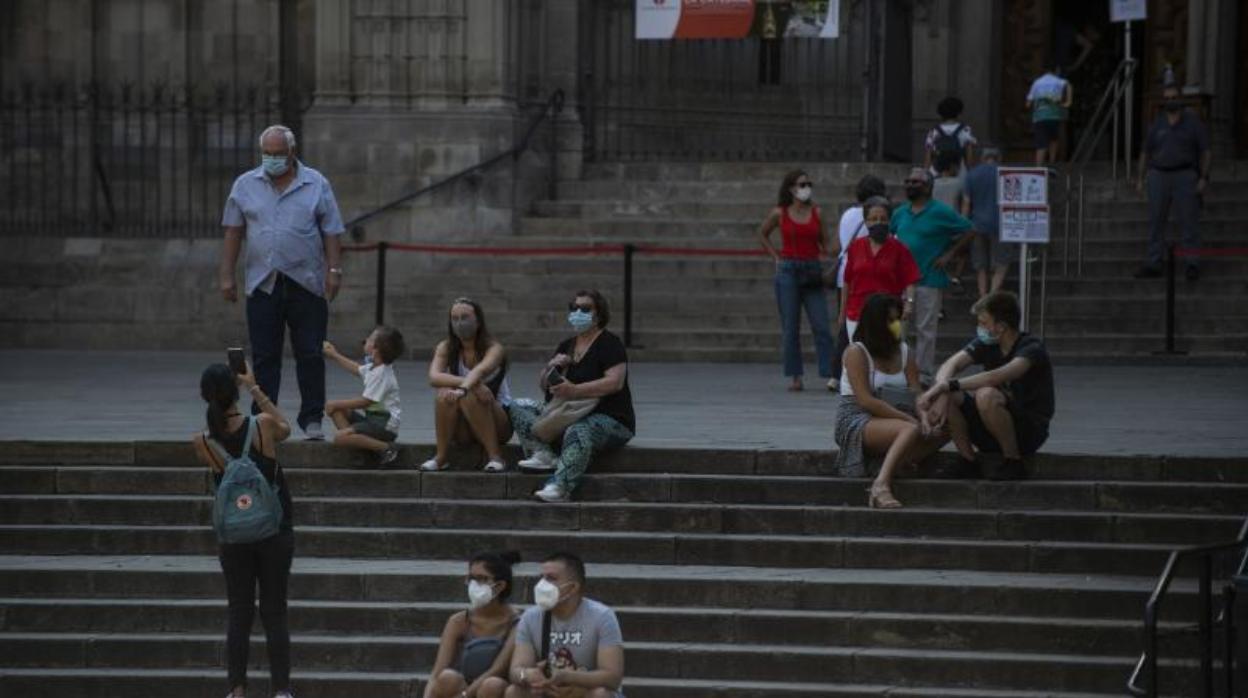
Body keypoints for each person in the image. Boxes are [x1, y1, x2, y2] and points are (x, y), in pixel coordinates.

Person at [219, 124, 345, 440]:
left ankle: (312, 418)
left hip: (307, 282)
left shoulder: (316, 183)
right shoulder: (245, 185)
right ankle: (265, 415)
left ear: (292, 153)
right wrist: (226, 274)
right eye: (267, 154)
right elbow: (233, 230)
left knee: (310, 352)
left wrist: (334, 271)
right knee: (264, 354)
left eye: (278, 154)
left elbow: (331, 230)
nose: (272, 159)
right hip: (263, 282)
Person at [190, 362, 295, 698]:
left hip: (234, 536)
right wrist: (255, 388)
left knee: (239, 611)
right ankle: (281, 691)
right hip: (274, 530)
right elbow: (287, 428)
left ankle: (237, 690)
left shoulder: (203, 442)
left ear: (205, 397)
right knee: (274, 611)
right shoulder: (261, 425)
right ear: (235, 391)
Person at [508, 290, 635, 503]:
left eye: (585, 309)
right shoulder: (567, 345)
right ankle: (544, 454)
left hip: (608, 418)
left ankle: (560, 486)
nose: (578, 312)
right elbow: (544, 387)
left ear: (599, 314)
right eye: (574, 308)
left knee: (580, 429)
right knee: (519, 405)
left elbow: (615, 382)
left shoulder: (609, 343)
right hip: (565, 412)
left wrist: (574, 390)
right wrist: (552, 366)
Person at [917, 291, 1055, 481]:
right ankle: (968, 462)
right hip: (990, 425)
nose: (979, 328)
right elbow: (951, 364)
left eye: (983, 323)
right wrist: (942, 389)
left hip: (1028, 431)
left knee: (986, 394)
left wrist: (948, 386)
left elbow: (996, 377)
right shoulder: (987, 343)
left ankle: (1013, 462)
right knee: (950, 395)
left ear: (1001, 327)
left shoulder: (1031, 348)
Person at [835, 294, 946, 508]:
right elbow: (866, 401)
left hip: (899, 413)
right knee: (909, 430)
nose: (896, 326)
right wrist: (910, 421)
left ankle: (895, 462)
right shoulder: (856, 352)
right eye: (891, 321)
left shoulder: (904, 351)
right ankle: (880, 486)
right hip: (858, 418)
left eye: (898, 320)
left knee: (945, 423)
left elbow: (916, 392)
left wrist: (923, 416)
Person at [891, 168, 974, 384]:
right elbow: (891, 237)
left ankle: (924, 374)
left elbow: (969, 229)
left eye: (915, 182)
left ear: (928, 187)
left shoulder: (941, 211)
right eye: (908, 181)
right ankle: (899, 371)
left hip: (929, 278)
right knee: (899, 328)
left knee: (925, 330)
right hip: (901, 282)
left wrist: (950, 254)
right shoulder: (900, 212)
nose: (910, 185)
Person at [757, 169, 835, 391]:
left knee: (821, 325)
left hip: (811, 268)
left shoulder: (817, 213)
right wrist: (776, 257)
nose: (806, 188)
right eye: (802, 184)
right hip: (788, 269)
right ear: (791, 188)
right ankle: (795, 376)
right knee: (790, 326)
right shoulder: (779, 213)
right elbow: (762, 233)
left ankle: (830, 373)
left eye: (808, 184)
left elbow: (826, 244)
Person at [506, 552, 624, 698]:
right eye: (542, 577)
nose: (542, 585)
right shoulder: (530, 617)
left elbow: (612, 677)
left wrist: (568, 677)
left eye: (551, 578)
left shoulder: (602, 616)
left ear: (572, 588)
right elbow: (515, 670)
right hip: (548, 690)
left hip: (585, 691)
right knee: (513, 692)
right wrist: (528, 675)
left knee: (600, 695)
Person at [422, 298, 514, 472]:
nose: (460, 323)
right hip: (464, 427)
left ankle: (495, 457)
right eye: (455, 318)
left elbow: (479, 371)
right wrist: (472, 386)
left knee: (469, 395)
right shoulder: (446, 347)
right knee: (444, 395)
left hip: (498, 423)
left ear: (478, 321)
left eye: (465, 317)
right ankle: (441, 457)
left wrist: (465, 388)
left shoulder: (494, 348)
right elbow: (434, 377)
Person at [1132, 84, 1212, 282]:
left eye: (1174, 97)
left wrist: (1203, 177)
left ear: (1181, 98)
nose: (1170, 101)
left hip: (1186, 175)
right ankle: (1154, 262)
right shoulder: (1157, 124)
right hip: (1159, 175)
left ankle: (1192, 263)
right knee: (1156, 221)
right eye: (1167, 98)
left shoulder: (1193, 123)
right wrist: (1140, 179)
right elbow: (1145, 152)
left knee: (1189, 221)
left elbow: (1206, 151)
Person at [424, 551, 522, 698]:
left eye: (482, 579)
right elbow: (437, 672)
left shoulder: (518, 621)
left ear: (500, 585)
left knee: (491, 685)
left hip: (497, 688)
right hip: (464, 683)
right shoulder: (459, 621)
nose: (474, 584)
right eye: (471, 578)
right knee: (447, 678)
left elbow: (498, 669)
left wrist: (465, 696)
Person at [829, 175, 889, 390]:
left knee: (845, 328)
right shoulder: (874, 216)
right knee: (861, 328)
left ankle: (836, 374)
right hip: (861, 276)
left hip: (843, 275)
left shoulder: (847, 214)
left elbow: (835, 245)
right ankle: (856, 372)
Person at [323, 325, 406, 467]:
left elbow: (365, 402)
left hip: (384, 426)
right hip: (373, 421)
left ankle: (387, 449)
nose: (365, 340)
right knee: (338, 412)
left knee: (339, 438)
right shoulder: (374, 366)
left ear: (376, 350)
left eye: (370, 339)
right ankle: (362, 453)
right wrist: (334, 355)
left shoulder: (382, 374)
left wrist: (335, 403)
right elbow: (356, 369)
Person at [840, 197, 920, 341]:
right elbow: (847, 282)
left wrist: (909, 303)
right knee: (860, 357)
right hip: (857, 313)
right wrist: (842, 313)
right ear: (865, 222)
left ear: (889, 221)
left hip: (889, 313)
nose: (878, 223)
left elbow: (910, 279)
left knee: (887, 359)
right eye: (873, 219)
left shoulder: (899, 249)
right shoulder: (855, 247)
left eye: (883, 219)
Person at [963, 146, 1013, 297]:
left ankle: (982, 296)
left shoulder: (971, 175)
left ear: (982, 158)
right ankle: (992, 296)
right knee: (1001, 263)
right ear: (999, 158)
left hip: (977, 223)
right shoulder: (1006, 174)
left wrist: (963, 225)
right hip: (1001, 224)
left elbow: (966, 203)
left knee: (980, 266)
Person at [931, 151, 969, 297]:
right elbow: (965, 203)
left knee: (938, 256)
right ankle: (956, 277)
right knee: (962, 253)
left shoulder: (932, 183)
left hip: (936, 225)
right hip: (954, 224)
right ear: (953, 166)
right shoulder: (960, 183)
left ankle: (946, 279)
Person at [1025, 66, 1073, 166]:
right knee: (1053, 139)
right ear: (1055, 71)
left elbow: (1028, 103)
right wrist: (1068, 101)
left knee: (1041, 143)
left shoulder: (1037, 82)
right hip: (1054, 115)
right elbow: (1068, 84)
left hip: (1040, 116)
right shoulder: (1058, 81)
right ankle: (1052, 162)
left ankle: (1039, 167)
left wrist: (1031, 104)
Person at [923, 96, 977, 174]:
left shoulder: (934, 131)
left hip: (936, 175)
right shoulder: (965, 130)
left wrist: (926, 174)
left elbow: (928, 158)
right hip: (958, 174)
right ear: (958, 112)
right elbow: (969, 159)